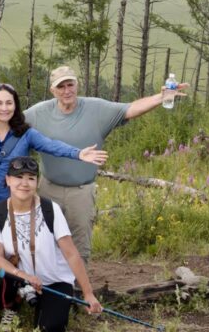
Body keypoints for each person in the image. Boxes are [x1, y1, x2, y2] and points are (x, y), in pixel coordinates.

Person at [24, 65, 188, 263]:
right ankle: (46, 288)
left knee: (79, 246)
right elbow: (8, 118)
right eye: (61, 87)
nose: (67, 90)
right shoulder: (38, 113)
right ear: (53, 90)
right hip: (48, 190)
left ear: (77, 84)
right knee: (44, 243)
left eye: (70, 84)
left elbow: (130, 109)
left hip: (81, 192)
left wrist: (161, 97)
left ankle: (76, 289)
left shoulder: (96, 108)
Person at [0, 156, 103, 332]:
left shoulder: (50, 209)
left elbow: (71, 254)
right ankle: (11, 305)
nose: (25, 183)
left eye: (31, 178)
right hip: (19, 277)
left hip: (53, 281)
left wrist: (88, 293)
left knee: (50, 331)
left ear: (37, 182)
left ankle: (41, 302)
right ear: (7, 180)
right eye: (18, 177)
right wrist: (24, 275)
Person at [0, 83, 107, 217]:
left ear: (15, 105)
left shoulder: (26, 134)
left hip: (18, 207)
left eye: (9, 103)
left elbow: (51, 145)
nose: (4, 108)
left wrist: (78, 153)